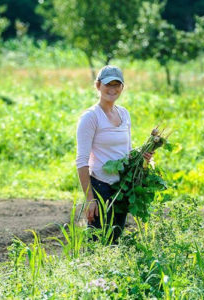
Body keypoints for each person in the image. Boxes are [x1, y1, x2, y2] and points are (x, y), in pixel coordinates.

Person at [76, 65, 153, 242]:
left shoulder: (124, 114)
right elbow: (81, 161)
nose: (112, 89)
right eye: (107, 84)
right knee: (97, 242)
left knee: (115, 239)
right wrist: (90, 199)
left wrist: (142, 157)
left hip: (122, 188)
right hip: (100, 187)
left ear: (122, 87)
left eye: (116, 85)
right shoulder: (91, 117)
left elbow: (126, 152)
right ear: (97, 86)